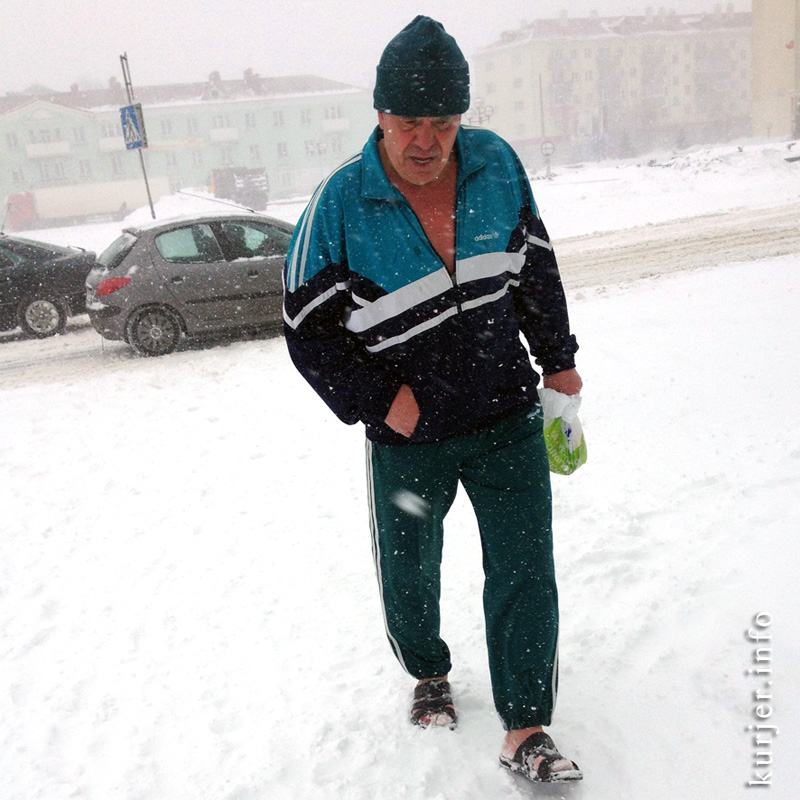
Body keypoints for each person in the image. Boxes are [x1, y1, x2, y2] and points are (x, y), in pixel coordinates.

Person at [283, 15, 583, 785]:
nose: (427, 139)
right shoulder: (341, 207)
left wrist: (559, 363)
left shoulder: (496, 166)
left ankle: (526, 727)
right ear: (380, 115)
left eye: (444, 121)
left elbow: (536, 268)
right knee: (412, 568)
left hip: (504, 418)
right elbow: (305, 332)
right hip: (409, 438)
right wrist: (382, 401)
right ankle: (428, 673)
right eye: (410, 120)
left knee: (525, 566)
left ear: (462, 118)